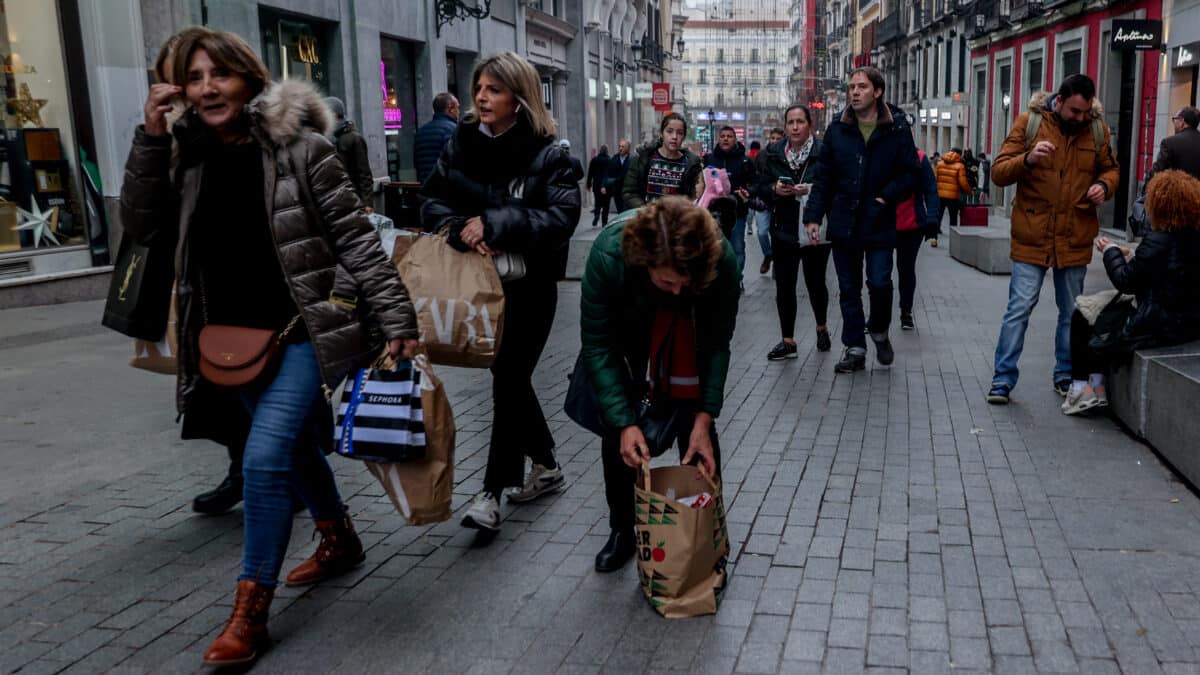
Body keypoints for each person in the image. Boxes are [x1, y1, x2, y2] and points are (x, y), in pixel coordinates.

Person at [122, 28, 418, 667]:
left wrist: (397, 317)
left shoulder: (303, 149)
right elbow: (141, 226)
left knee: (261, 461)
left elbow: (357, 239)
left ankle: (250, 609)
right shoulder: (183, 155)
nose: (207, 89)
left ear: (247, 78)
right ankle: (337, 537)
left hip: (300, 331)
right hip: (226, 338)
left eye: (217, 75)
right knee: (290, 446)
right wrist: (149, 136)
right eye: (193, 78)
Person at [421, 51, 581, 531]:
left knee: (508, 378)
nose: (482, 97)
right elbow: (431, 199)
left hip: (530, 287)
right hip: (477, 283)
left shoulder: (550, 153)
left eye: (494, 89)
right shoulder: (461, 143)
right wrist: (457, 229)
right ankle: (547, 466)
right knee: (509, 378)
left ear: (519, 96)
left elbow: (561, 218)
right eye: (479, 89)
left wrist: (494, 222)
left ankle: (490, 493)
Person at [580, 196, 738, 572]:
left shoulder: (720, 261)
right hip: (629, 336)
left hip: (689, 337)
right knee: (617, 431)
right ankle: (622, 528)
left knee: (697, 433)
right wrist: (624, 422)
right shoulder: (609, 255)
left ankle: (705, 533)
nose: (679, 290)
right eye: (669, 280)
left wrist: (704, 418)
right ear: (645, 260)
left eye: (687, 282)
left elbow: (717, 344)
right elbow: (598, 346)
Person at [985, 74, 1119, 404]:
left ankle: (1064, 376)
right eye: (1074, 111)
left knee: (1071, 313)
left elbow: (1111, 170)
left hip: (1074, 235)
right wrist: (1028, 158)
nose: (1079, 118)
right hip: (1033, 234)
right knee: (1019, 308)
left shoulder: (1098, 129)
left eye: (1085, 112)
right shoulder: (1029, 122)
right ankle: (1002, 380)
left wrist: (1104, 186)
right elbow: (999, 172)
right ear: (1059, 101)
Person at [803, 66, 921, 373]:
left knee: (880, 282)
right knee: (848, 288)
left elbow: (911, 172)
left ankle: (879, 330)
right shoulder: (837, 129)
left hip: (880, 220)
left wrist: (886, 197)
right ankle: (855, 347)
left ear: (877, 91)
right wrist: (813, 216)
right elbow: (824, 176)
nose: (854, 92)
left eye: (861, 87)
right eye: (851, 87)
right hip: (844, 221)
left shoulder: (896, 128)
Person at [1062, 169, 1200, 415]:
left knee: (1084, 312)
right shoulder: (1192, 237)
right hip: (1188, 323)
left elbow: (1125, 281)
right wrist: (1130, 254)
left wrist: (1111, 252)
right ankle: (1094, 386)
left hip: (1154, 324)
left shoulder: (1158, 238)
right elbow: (1166, 269)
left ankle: (1084, 388)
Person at [756, 104, 833, 360]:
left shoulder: (823, 152)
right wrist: (774, 189)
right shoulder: (774, 152)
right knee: (785, 286)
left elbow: (833, 185)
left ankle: (821, 327)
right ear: (786, 125)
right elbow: (761, 186)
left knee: (815, 283)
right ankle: (787, 340)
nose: (795, 127)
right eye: (791, 122)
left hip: (814, 228)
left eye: (800, 121)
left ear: (809, 124)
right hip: (784, 227)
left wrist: (811, 189)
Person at [894, 131, 941, 331]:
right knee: (879, 274)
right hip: (883, 225)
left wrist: (932, 220)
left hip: (911, 225)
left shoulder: (920, 159)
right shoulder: (881, 158)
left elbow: (931, 190)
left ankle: (906, 311)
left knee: (906, 271)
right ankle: (878, 315)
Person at [703, 126, 756, 281]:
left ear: (735, 139)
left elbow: (755, 183)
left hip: (737, 212)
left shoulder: (745, 161)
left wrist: (748, 191)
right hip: (714, 213)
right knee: (715, 247)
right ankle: (718, 280)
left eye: (730, 136)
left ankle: (735, 279)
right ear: (719, 139)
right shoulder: (709, 159)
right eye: (723, 136)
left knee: (737, 247)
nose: (726, 139)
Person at [622, 113, 702, 209]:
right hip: (647, 219)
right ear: (661, 133)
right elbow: (630, 192)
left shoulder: (691, 165)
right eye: (669, 131)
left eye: (680, 133)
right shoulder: (644, 158)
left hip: (677, 221)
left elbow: (694, 198)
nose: (674, 137)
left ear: (684, 136)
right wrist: (646, 212)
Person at [323, 97, 374, 210]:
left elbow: (364, 174)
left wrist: (367, 203)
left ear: (334, 115)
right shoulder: (326, 138)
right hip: (334, 199)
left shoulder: (354, 139)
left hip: (353, 198)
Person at [413, 92, 460, 182]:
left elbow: (417, 164)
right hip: (446, 189)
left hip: (425, 188)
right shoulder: (453, 130)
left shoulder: (420, 132)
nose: (459, 111)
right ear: (450, 108)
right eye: (457, 107)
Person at [1148, 106, 1200, 180]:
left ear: (1182, 122)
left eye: (1175, 119)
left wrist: (1145, 187)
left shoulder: (1169, 143)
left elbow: (1157, 171)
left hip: (1176, 190)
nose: (1174, 123)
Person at [934, 148, 971, 239]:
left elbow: (935, 178)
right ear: (959, 154)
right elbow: (963, 182)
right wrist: (969, 191)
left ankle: (936, 229)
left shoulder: (939, 164)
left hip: (940, 194)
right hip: (953, 196)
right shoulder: (960, 165)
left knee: (939, 214)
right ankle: (953, 232)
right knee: (953, 216)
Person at [586, 144, 613, 227]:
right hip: (606, 186)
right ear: (607, 151)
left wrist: (588, 184)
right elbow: (611, 174)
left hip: (596, 185)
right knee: (606, 204)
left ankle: (597, 214)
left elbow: (590, 173)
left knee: (597, 202)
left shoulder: (594, 160)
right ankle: (604, 221)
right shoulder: (610, 160)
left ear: (600, 151)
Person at [608, 138, 633, 212]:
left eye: (623, 147)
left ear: (628, 148)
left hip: (629, 191)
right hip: (617, 191)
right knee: (620, 211)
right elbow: (609, 174)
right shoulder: (614, 159)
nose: (620, 148)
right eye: (619, 146)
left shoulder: (632, 159)